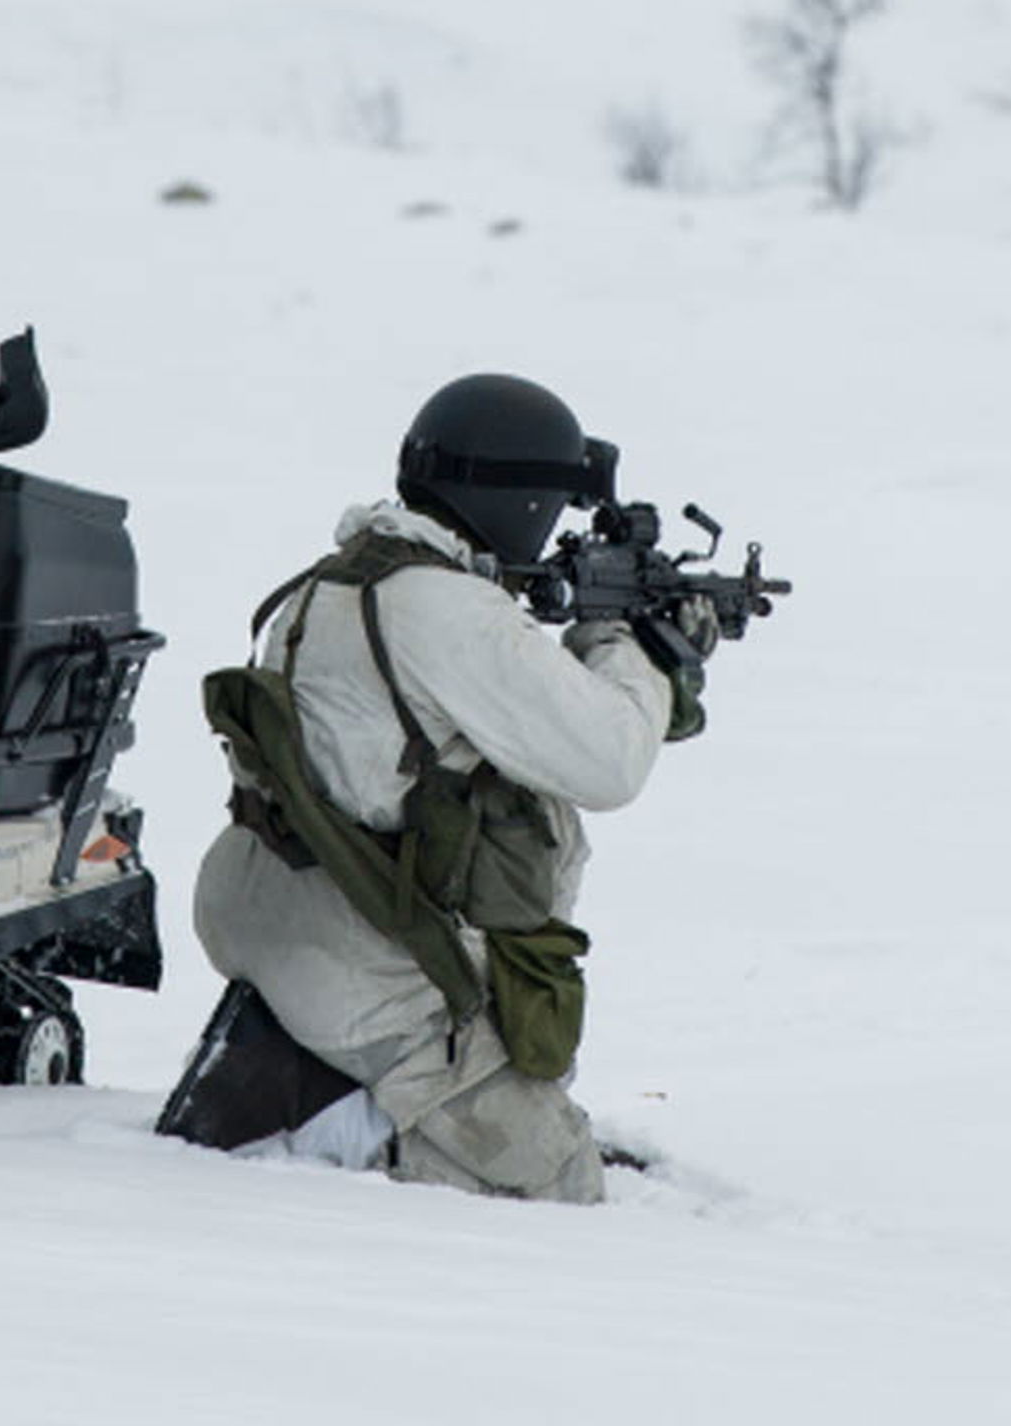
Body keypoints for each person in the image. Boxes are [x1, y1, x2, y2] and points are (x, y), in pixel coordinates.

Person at [166, 372, 721, 1203]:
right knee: (557, 1183)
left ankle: (311, 1065)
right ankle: (320, 1114)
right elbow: (609, 762)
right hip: (363, 964)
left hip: (279, 912)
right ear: (521, 500)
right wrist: (632, 646)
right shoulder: (449, 612)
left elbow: (483, 719)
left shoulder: (333, 583)